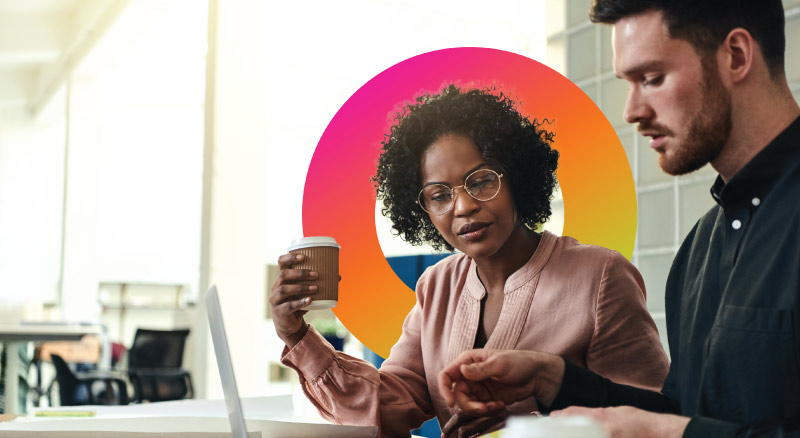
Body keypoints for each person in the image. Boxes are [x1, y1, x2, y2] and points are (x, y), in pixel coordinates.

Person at [439, 1, 800, 437]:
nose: (631, 111)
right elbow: (680, 413)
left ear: (737, 55)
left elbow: (674, 429)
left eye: (651, 79)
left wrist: (666, 435)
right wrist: (549, 378)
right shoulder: (699, 252)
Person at [269, 84, 670, 437]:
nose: (463, 207)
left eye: (481, 181)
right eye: (439, 194)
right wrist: (297, 336)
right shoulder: (436, 284)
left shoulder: (600, 276)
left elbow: (653, 417)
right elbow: (387, 407)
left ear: (517, 177)